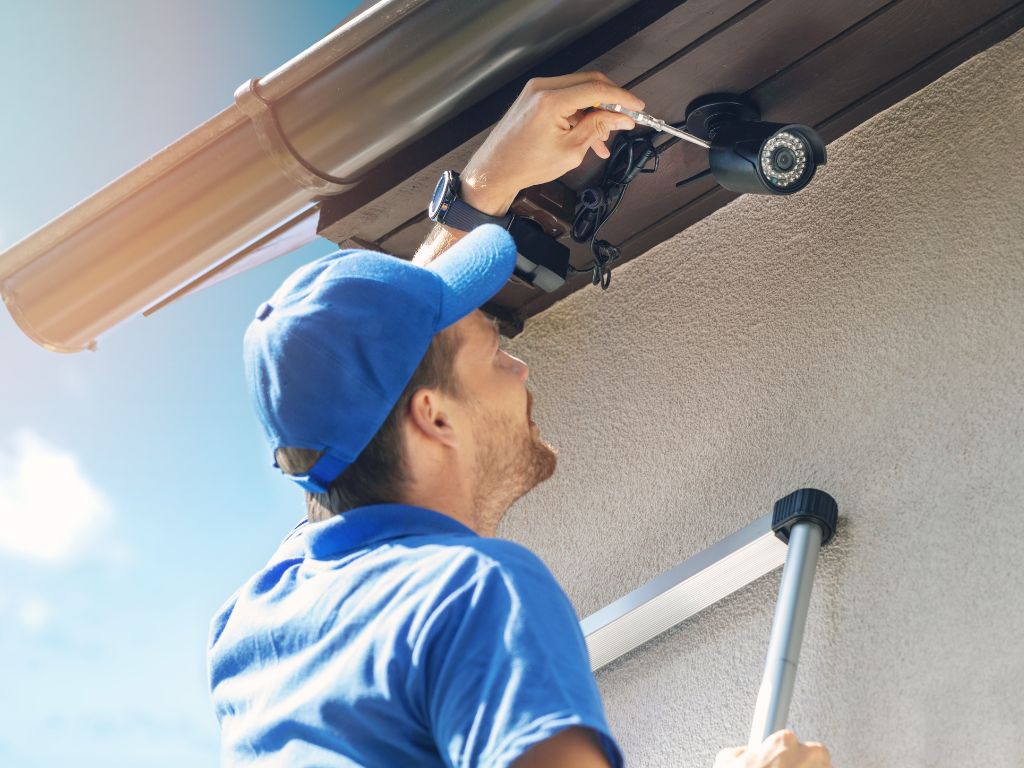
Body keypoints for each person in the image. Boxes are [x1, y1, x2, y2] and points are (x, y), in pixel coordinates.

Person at [207, 71, 831, 768]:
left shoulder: (255, 625)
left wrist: (484, 185)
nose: (520, 368)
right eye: (492, 353)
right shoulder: (474, 592)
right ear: (433, 418)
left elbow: (362, 400)